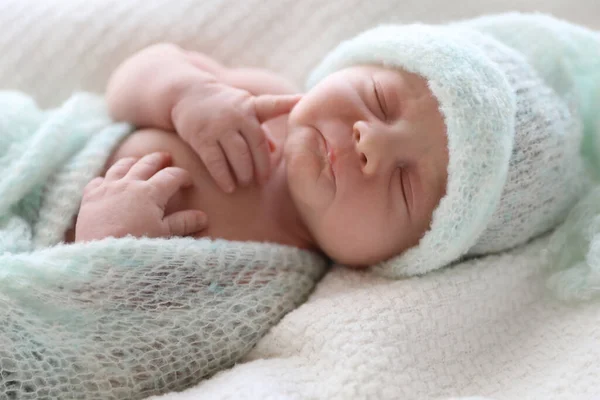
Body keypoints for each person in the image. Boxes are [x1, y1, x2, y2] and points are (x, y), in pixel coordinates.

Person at [73, 12, 599, 278]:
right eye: (379, 99)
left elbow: (131, 344)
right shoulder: (262, 97)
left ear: (407, 256)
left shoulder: (272, 273)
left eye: (404, 184)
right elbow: (127, 83)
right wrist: (184, 93)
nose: (370, 142)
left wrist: (108, 251)